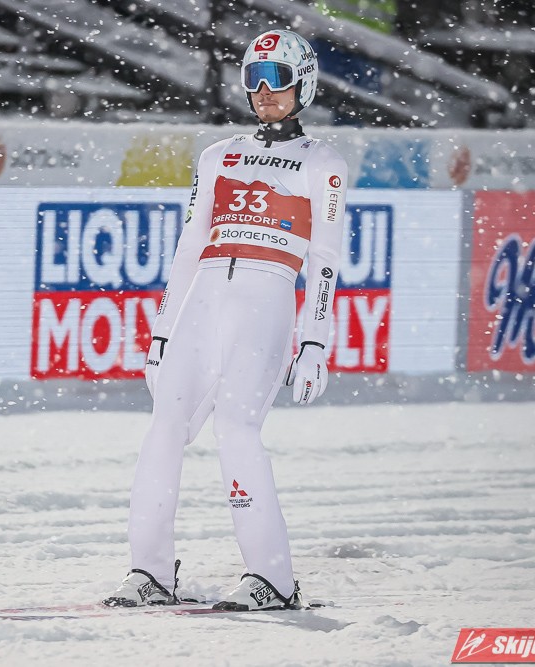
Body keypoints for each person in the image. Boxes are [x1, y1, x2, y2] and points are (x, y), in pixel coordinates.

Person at [104, 29, 348, 611]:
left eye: (277, 79)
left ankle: (273, 579)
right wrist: (162, 332)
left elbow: (325, 258)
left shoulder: (323, 162)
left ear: (303, 85)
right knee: (164, 427)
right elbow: (189, 247)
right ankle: (149, 573)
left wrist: (315, 342)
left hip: (267, 299)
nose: (263, 91)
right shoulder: (218, 155)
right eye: (253, 79)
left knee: (236, 430)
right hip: (204, 299)